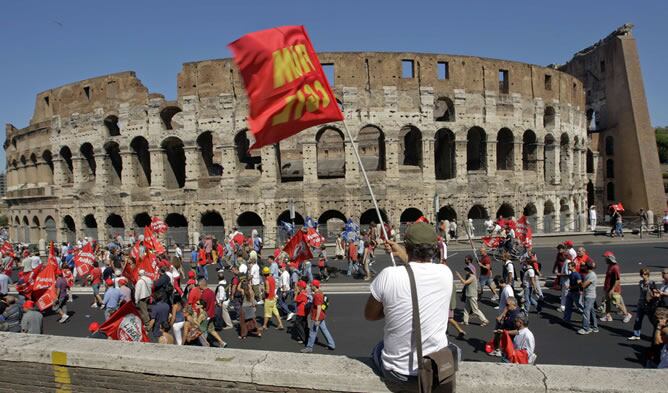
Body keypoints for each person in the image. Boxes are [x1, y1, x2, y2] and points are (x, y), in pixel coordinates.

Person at [365, 222, 454, 389]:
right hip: (434, 367)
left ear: (407, 246)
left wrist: (393, 307)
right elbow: (420, 269)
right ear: (434, 248)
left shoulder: (388, 275)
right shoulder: (445, 273)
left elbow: (369, 315)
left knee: (377, 349)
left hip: (399, 373)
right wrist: (402, 251)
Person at [302, 279, 335, 353]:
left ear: (314, 286)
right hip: (322, 315)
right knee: (325, 330)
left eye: (311, 285)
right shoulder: (320, 292)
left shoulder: (317, 295)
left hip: (316, 316)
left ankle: (309, 347)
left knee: (312, 332)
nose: (310, 286)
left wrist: (316, 319)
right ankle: (332, 344)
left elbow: (319, 307)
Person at [599, 251, 632, 323]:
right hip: (608, 288)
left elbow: (617, 280)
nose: (604, 259)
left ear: (609, 258)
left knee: (616, 303)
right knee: (607, 302)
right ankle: (608, 316)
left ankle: (627, 315)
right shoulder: (610, 265)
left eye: (605, 258)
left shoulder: (615, 267)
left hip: (614, 289)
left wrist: (612, 289)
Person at [455, 259, 488, 327]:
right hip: (469, 295)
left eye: (467, 270)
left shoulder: (472, 277)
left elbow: (464, 282)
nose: (466, 271)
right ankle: (465, 321)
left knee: (475, 309)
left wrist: (459, 276)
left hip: (472, 295)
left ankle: (484, 320)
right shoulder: (470, 276)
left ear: (470, 271)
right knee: (466, 309)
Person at [628, 268, 658, 340]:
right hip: (641, 303)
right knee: (638, 319)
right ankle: (636, 335)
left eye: (644, 274)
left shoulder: (651, 283)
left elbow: (655, 292)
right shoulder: (641, 282)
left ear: (648, 274)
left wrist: (653, 294)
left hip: (648, 304)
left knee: (652, 320)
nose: (643, 276)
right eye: (641, 274)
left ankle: (657, 333)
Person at [578, 263, 599, 335]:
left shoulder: (591, 275)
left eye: (584, 266)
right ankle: (595, 327)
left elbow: (583, 285)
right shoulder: (589, 274)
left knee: (586, 312)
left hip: (590, 296)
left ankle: (586, 328)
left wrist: (579, 282)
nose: (583, 267)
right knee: (592, 311)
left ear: (587, 267)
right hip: (588, 295)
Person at [292, 280, 309, 344]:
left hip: (301, 312)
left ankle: (303, 338)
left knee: (298, 324)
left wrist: (296, 292)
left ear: (301, 287)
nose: (297, 287)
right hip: (305, 311)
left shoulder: (301, 294)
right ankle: (305, 337)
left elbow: (294, 300)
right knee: (303, 324)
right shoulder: (305, 292)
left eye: (298, 286)